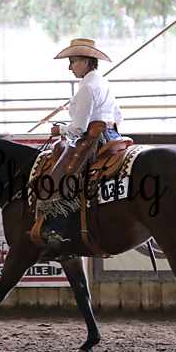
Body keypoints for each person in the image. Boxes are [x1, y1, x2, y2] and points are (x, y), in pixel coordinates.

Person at [37, 38, 123, 248]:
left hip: (95, 137)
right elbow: (118, 115)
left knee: (65, 173)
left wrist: (60, 130)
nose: (70, 67)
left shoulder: (87, 87)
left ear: (85, 62)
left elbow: (79, 127)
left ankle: (58, 227)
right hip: (112, 135)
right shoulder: (103, 82)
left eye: (72, 62)